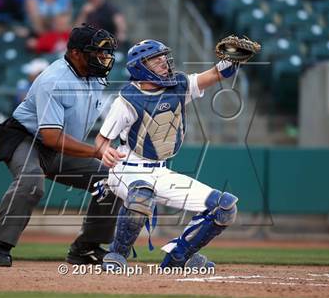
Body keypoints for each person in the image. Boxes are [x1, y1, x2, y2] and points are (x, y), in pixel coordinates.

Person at [0, 24, 121, 267]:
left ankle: (86, 248)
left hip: (61, 146)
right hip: (26, 139)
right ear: (76, 53)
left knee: (114, 181)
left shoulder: (95, 77)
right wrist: (97, 151)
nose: (103, 58)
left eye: (105, 53)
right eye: (97, 53)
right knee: (31, 180)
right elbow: (51, 138)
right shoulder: (54, 80)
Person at [95, 40, 239, 270]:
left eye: (163, 57)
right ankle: (117, 255)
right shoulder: (126, 100)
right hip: (126, 168)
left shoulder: (179, 85)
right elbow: (101, 140)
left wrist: (232, 60)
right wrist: (105, 151)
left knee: (224, 207)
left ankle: (178, 257)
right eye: (155, 59)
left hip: (160, 170)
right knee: (142, 195)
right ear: (140, 67)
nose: (163, 62)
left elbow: (216, 74)